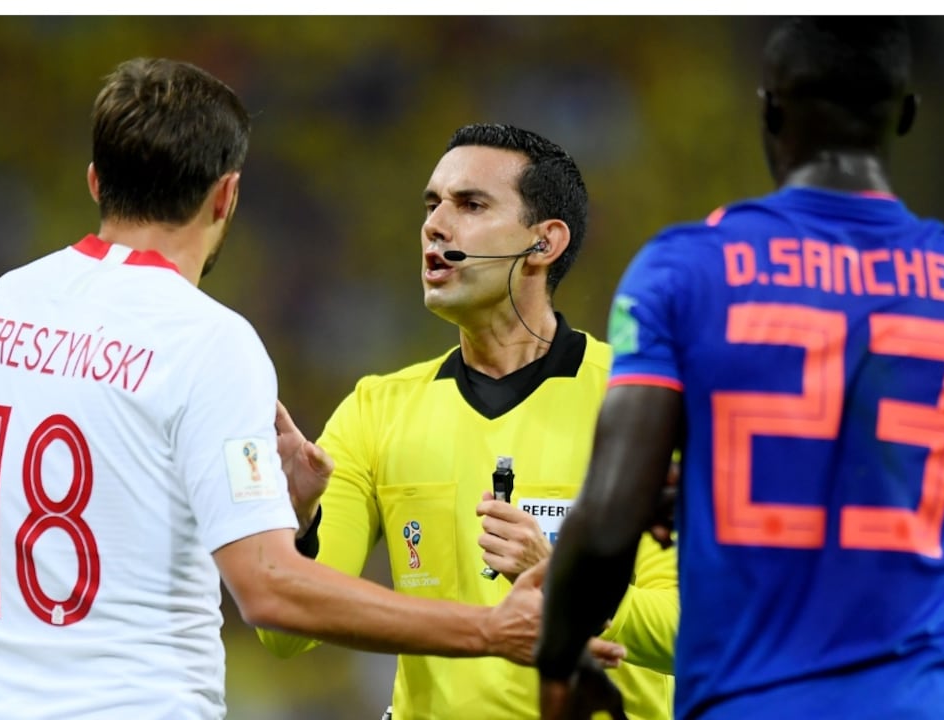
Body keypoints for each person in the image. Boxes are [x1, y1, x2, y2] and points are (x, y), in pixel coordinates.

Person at [0, 58, 582, 719]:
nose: (437, 224)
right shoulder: (206, 340)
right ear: (225, 196)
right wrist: (488, 630)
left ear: (96, 182)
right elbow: (270, 594)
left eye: (467, 205)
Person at [535, 17, 944, 720]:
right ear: (905, 114)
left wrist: (561, 665)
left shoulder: (685, 269)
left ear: (770, 109)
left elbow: (605, 528)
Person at [257, 123, 678, 719]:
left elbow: (695, 632)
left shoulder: (642, 405)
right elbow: (286, 633)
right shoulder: (375, 410)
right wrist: (293, 522)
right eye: (432, 205)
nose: (435, 224)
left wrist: (568, 589)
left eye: (471, 204)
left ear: (544, 243)